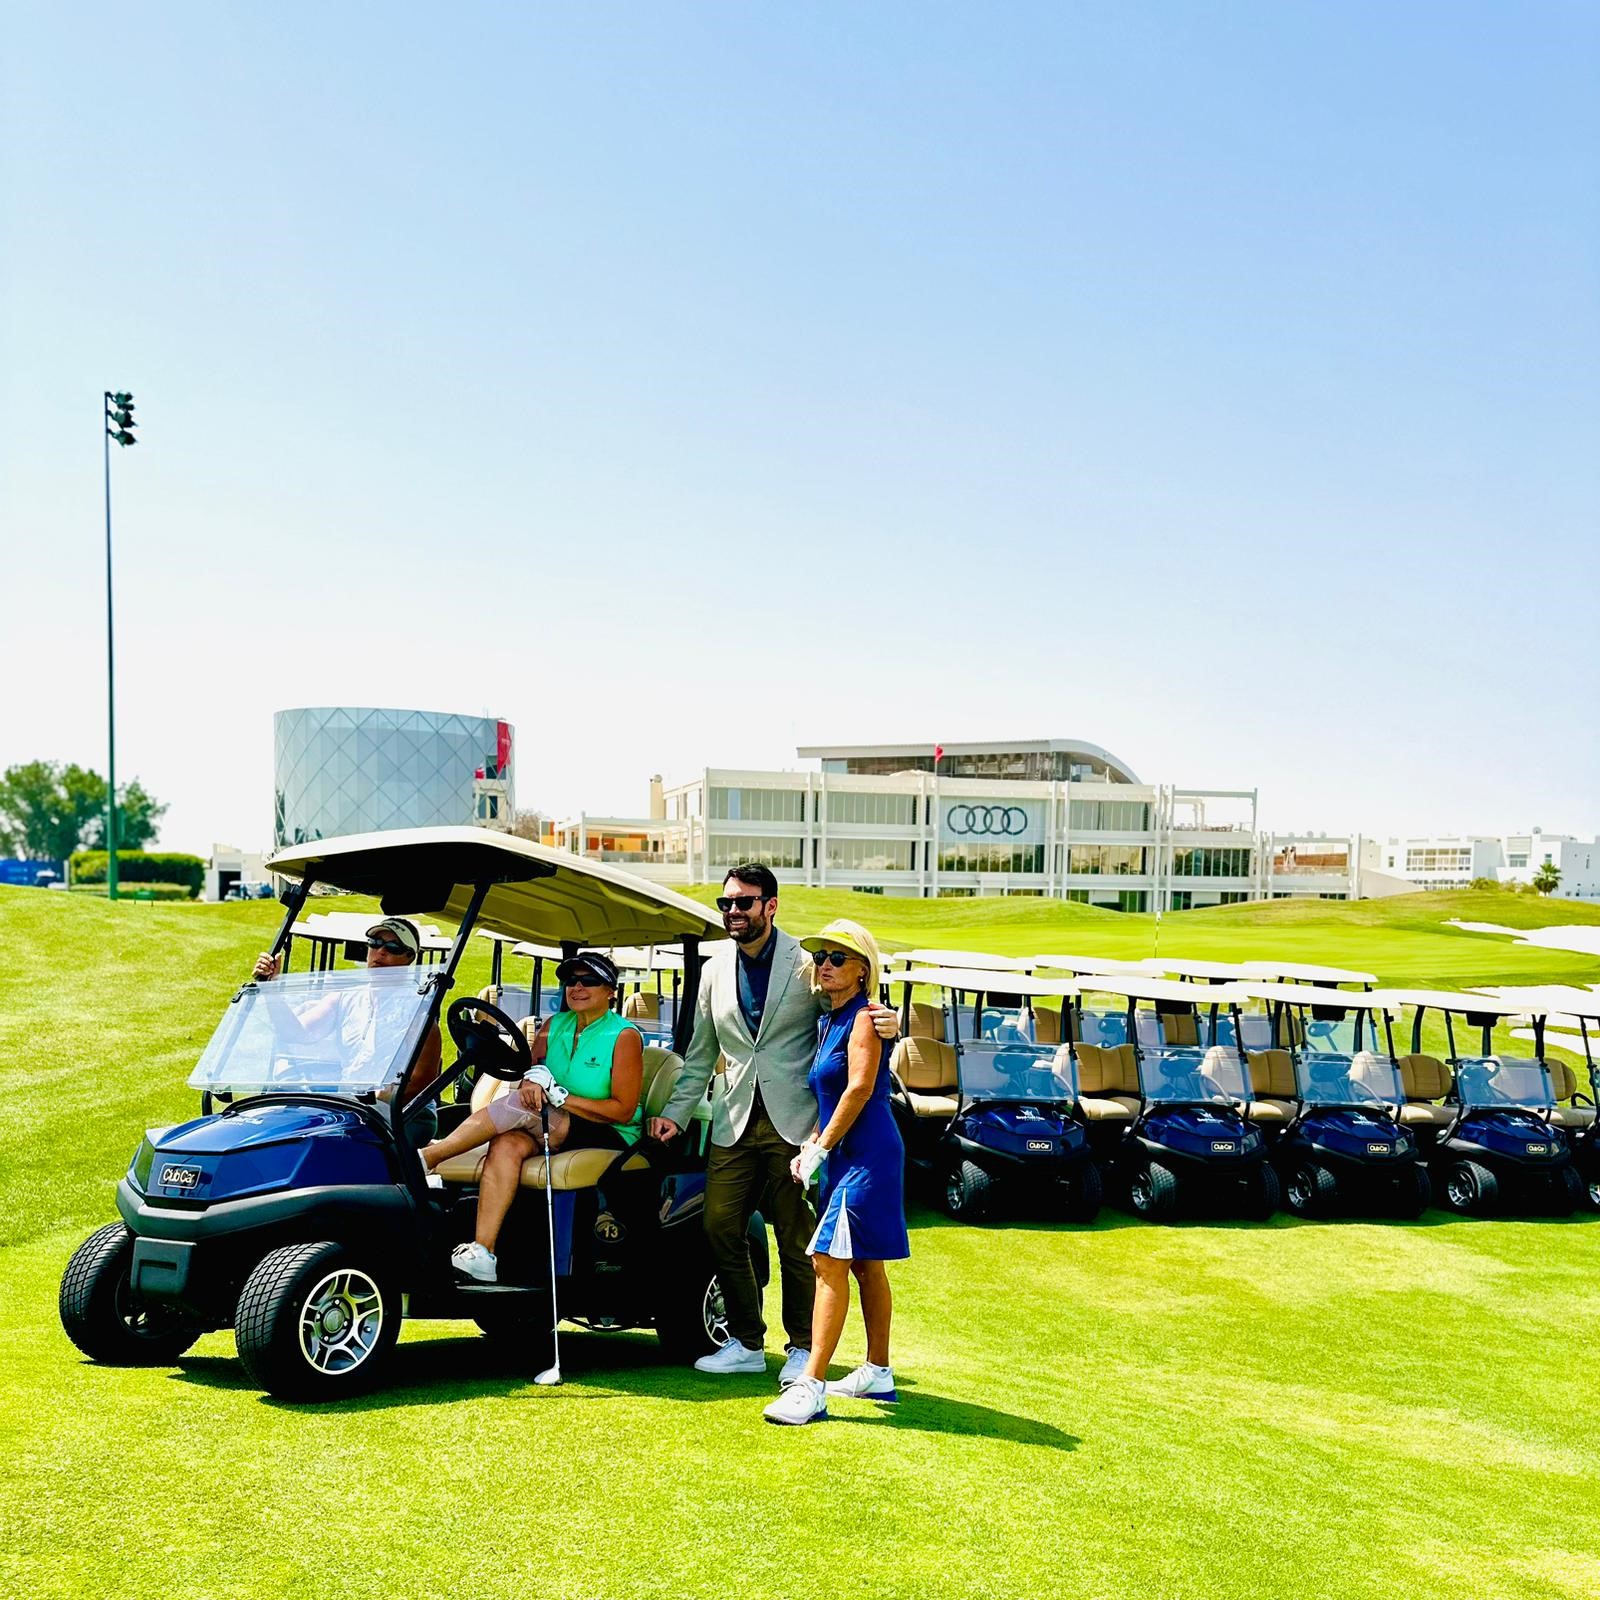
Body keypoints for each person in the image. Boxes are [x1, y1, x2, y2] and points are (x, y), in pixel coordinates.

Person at [648, 866, 899, 1388]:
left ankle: (802, 1346)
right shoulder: (714, 970)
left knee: (795, 1237)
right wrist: (675, 1112)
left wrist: (890, 1022)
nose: (733, 912)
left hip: (797, 1123)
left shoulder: (808, 962)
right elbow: (701, 1054)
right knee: (719, 1226)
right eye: (726, 903)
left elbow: (850, 1012)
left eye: (744, 902)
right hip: (733, 1120)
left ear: (771, 906)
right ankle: (745, 1340)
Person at [762, 919, 908, 1425]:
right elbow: (830, 1095)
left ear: (862, 969)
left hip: (867, 1156)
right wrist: (814, 1142)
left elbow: (859, 1088)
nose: (825, 965)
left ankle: (811, 1384)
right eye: (821, 957)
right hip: (843, 1154)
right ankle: (878, 1371)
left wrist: (820, 1148)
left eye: (837, 958)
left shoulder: (865, 1018)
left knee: (828, 1260)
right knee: (865, 1264)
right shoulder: (831, 1019)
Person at [422, 951, 643, 1283]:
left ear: (610, 991)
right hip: (553, 1123)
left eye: (589, 981)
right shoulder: (554, 1026)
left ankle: (428, 1157)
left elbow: (623, 1109)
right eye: (571, 980)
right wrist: (531, 1084)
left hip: (608, 1131)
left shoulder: (624, 1036)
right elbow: (533, 1073)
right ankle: (483, 1252)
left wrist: (561, 1096)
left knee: (522, 1108)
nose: (577, 987)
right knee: (507, 1143)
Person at [252, 916, 442, 1138]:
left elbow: (421, 1080)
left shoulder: (418, 1010)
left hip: (405, 1113)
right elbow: (296, 1032)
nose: (380, 952)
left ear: (409, 957)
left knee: (330, 1142)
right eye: (375, 943)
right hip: (352, 1108)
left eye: (393, 947)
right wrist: (271, 988)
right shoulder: (346, 997)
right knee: (281, 1133)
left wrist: (369, 1104)